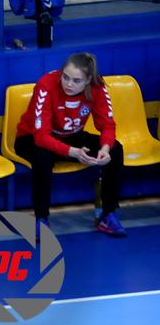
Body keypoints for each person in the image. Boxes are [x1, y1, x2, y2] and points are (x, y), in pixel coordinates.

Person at [15, 52, 126, 237]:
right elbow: (41, 137)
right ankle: (41, 219)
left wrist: (105, 149)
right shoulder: (46, 85)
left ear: (88, 80)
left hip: (71, 137)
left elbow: (107, 125)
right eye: (65, 77)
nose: (69, 84)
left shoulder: (97, 87)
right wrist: (73, 152)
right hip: (31, 138)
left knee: (115, 149)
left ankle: (108, 214)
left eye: (76, 81)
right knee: (42, 158)